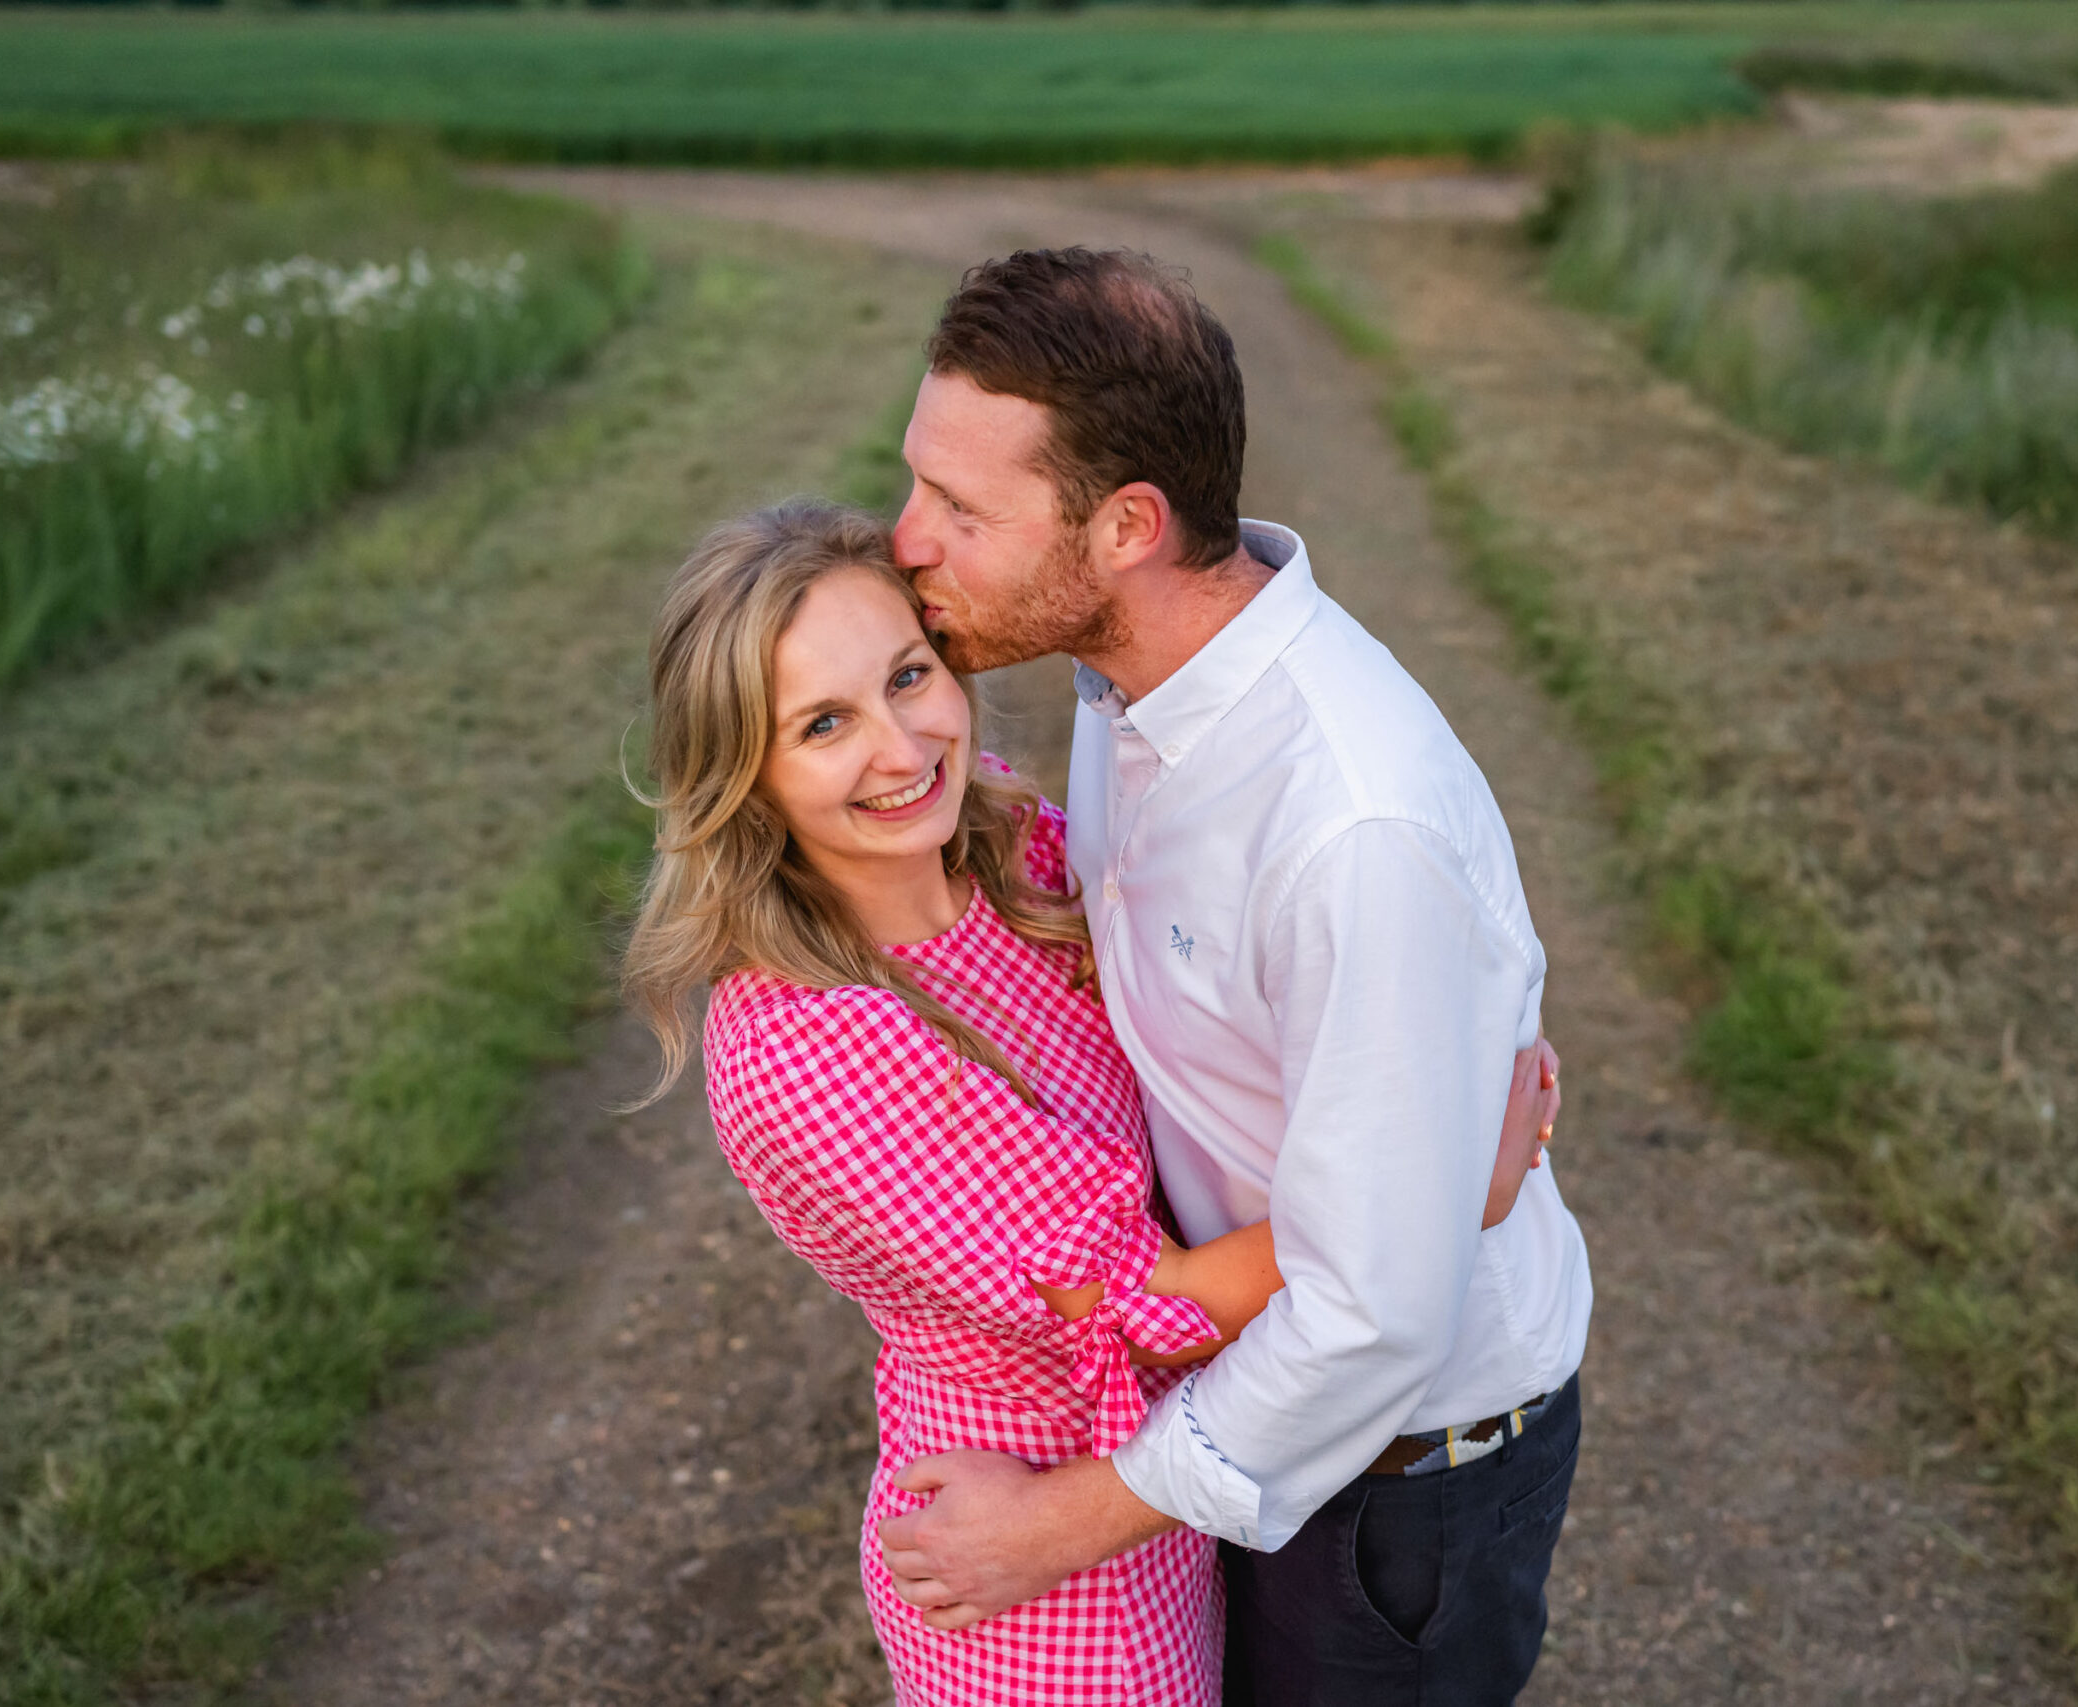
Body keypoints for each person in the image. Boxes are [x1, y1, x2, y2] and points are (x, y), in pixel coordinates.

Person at [621, 499, 1560, 1706]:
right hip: (1039, 1552)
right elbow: (1150, 1303)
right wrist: (1431, 1193)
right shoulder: (813, 1046)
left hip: (1163, 1490)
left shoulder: (1005, 864)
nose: (902, 749)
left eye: (909, 676)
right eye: (822, 725)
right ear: (744, 777)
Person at [872, 248, 1594, 1706]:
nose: (905, 541)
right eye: (915, 486)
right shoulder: (1125, 679)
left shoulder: (1347, 821)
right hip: (1238, 1405)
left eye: (960, 509)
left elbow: (1375, 1307)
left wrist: (1053, 1525)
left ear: (1127, 523)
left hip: (1392, 1480)